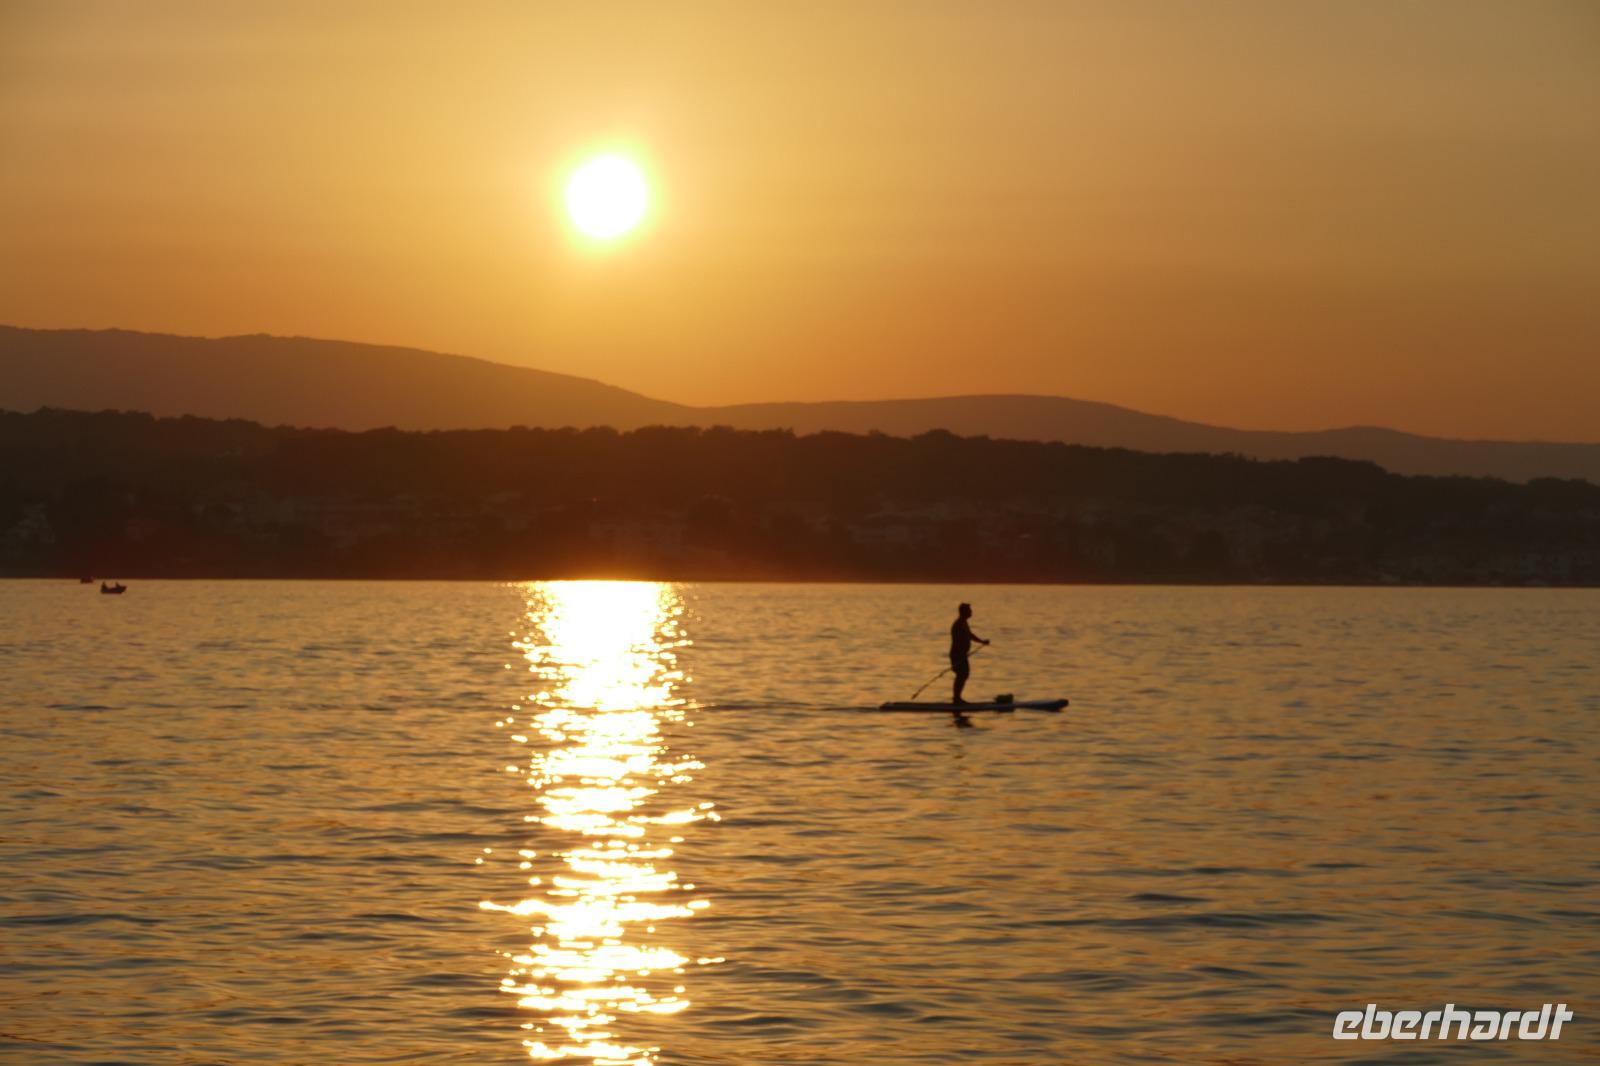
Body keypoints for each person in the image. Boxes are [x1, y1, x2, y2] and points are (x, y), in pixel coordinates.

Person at [949, 602, 989, 704]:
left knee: (964, 674)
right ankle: (956, 699)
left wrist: (982, 641)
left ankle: (957, 698)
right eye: (969, 610)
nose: (971, 612)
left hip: (961, 655)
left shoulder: (964, 623)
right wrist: (960, 654)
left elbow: (970, 635)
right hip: (957, 655)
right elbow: (957, 640)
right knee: (961, 674)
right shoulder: (958, 624)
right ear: (964, 612)